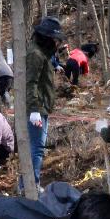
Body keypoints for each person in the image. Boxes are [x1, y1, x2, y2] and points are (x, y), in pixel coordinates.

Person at [26, 16, 64, 188]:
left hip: (42, 106)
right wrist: (34, 109)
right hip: (37, 107)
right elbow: (31, 82)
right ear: (47, 37)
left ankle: (27, 183)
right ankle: (31, 184)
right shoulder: (35, 54)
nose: (57, 42)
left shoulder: (43, 53)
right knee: (37, 148)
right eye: (54, 39)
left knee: (36, 148)